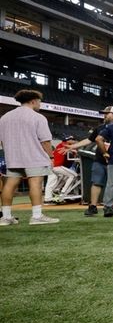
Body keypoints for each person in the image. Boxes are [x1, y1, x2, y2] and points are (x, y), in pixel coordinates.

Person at [0, 89, 59, 225]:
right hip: (34, 157)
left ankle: (5, 217)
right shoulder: (38, 117)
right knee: (35, 184)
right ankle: (37, 216)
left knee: (9, 185)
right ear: (33, 101)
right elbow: (45, 141)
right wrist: (50, 156)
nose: (40, 104)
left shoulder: (5, 117)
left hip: (13, 157)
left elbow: (2, 141)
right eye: (39, 102)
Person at [66, 106, 113, 216]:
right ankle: (93, 206)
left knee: (112, 184)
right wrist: (74, 146)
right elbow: (89, 140)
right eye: (104, 113)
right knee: (96, 182)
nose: (104, 115)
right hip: (100, 159)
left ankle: (109, 206)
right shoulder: (100, 128)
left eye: (107, 113)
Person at [44, 135, 78, 203]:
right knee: (73, 175)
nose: (73, 141)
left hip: (55, 166)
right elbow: (73, 149)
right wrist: (74, 150)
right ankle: (61, 193)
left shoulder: (62, 145)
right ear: (68, 140)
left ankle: (54, 193)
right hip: (56, 166)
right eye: (72, 139)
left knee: (62, 177)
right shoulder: (63, 144)